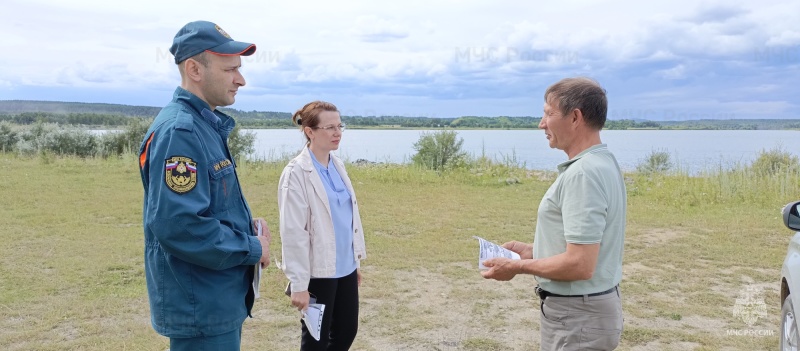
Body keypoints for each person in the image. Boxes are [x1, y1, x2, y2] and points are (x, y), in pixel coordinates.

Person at [137, 20, 271, 350]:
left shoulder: (203, 125)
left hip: (215, 299)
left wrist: (247, 229)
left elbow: (208, 206)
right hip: (201, 305)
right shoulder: (181, 131)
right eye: (230, 70)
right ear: (195, 69)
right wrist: (253, 248)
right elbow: (180, 225)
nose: (241, 79)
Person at [481, 77, 626, 350]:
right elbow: (586, 247)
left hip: (578, 318)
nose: (542, 123)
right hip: (585, 313)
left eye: (549, 113)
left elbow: (580, 264)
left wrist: (516, 266)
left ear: (575, 118)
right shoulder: (602, 162)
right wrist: (532, 251)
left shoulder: (584, 173)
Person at [278, 101, 367, 351]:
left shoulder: (338, 166)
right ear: (310, 131)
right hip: (318, 272)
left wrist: (354, 263)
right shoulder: (296, 173)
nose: (337, 133)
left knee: (346, 333)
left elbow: (347, 219)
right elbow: (293, 232)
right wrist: (298, 285)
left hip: (346, 268)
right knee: (315, 342)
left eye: (340, 126)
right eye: (329, 127)